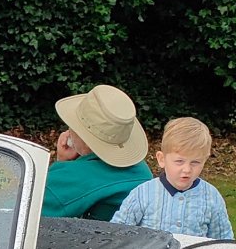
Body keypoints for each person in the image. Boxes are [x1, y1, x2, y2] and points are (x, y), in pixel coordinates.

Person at [41, 83, 153, 220]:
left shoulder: (76, 176)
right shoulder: (142, 171)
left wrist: (62, 165)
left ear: (83, 137)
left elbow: (29, 207)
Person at [111, 117, 234, 240]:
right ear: (162, 159)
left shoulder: (211, 197)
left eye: (195, 162)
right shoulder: (143, 194)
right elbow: (117, 234)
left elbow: (223, 242)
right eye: (179, 161)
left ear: (204, 161)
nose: (187, 169)